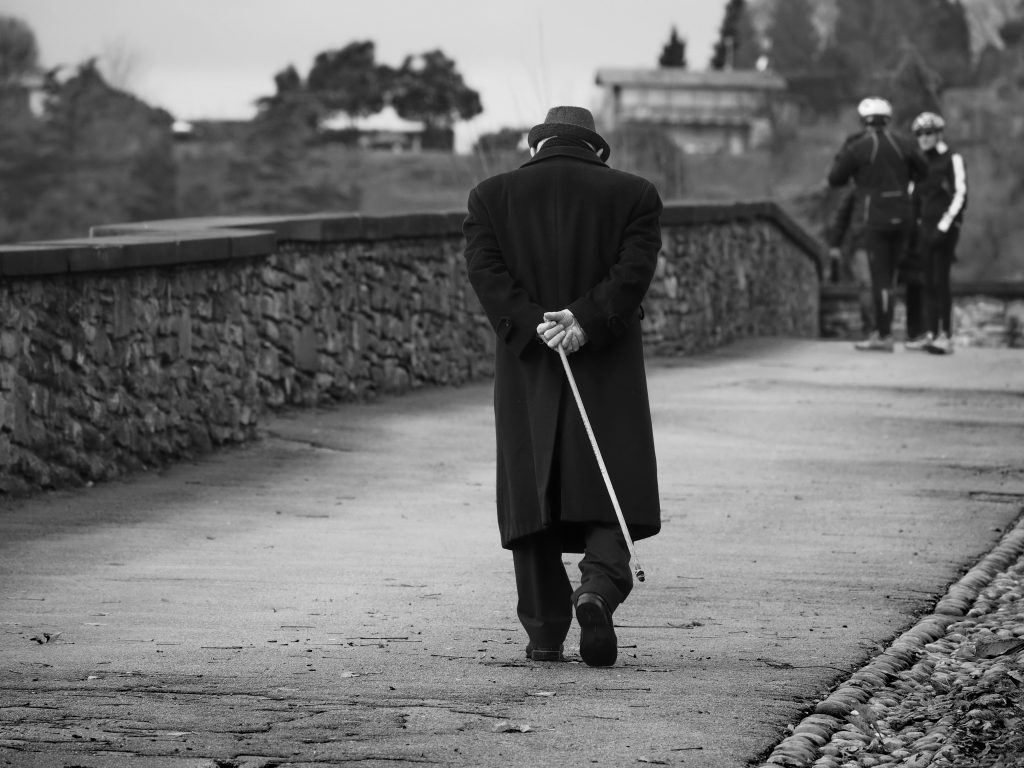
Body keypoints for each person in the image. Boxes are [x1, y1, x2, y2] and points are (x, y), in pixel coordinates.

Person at [463, 106, 662, 667]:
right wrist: (583, 321)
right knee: (609, 477)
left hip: (528, 364)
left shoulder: (489, 196)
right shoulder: (636, 193)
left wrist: (536, 326)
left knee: (533, 491)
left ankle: (545, 632)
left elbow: (487, 273)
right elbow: (632, 272)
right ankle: (597, 587)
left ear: (538, 146)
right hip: (607, 360)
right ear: (597, 150)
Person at [827, 97, 928, 352]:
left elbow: (836, 178)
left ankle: (882, 335)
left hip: (874, 218)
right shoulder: (904, 144)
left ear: (864, 121)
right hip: (902, 216)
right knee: (890, 277)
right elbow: (923, 172)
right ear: (888, 119)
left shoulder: (859, 147)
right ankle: (885, 331)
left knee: (880, 278)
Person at [910, 111, 968, 355]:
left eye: (928, 133)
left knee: (940, 280)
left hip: (945, 228)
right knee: (927, 281)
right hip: (924, 227)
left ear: (938, 134)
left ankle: (946, 335)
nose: (923, 138)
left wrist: (945, 226)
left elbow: (961, 193)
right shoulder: (920, 162)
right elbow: (913, 193)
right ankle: (931, 332)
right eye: (919, 134)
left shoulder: (952, 158)